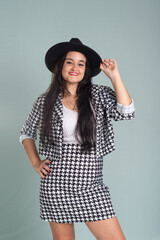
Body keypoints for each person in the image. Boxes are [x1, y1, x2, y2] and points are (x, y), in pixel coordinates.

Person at [19, 38, 135, 240]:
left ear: (86, 70)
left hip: (91, 183)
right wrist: (36, 162)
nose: (75, 67)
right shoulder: (45, 101)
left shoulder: (98, 95)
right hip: (56, 184)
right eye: (69, 62)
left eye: (81, 64)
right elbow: (26, 133)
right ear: (59, 66)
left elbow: (126, 112)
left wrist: (114, 76)